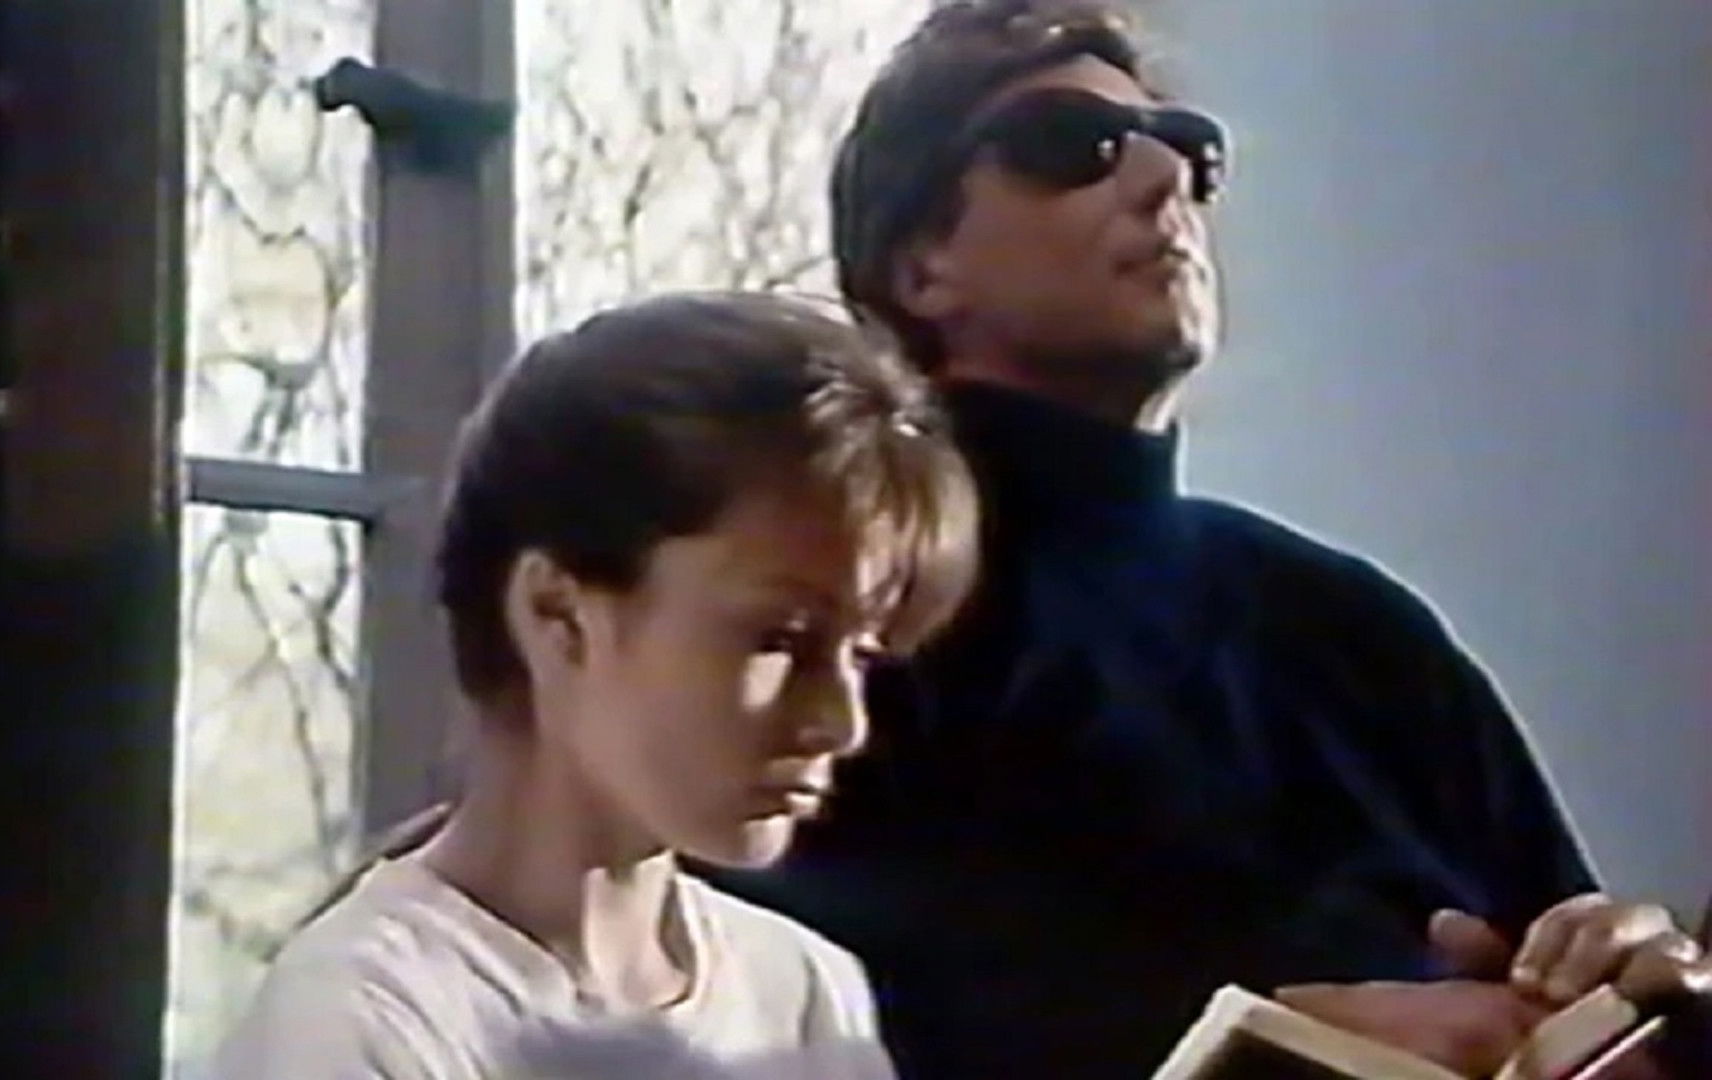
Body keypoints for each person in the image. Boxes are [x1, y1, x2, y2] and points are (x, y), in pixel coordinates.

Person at [705, 3, 1712, 1077]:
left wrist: (1639, 983)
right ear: (919, 268)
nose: (1164, 179)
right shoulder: (846, 615)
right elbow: (751, 993)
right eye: (1072, 145)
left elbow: (1580, 983)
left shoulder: (1358, 629)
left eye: (1193, 150)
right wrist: (1256, 1030)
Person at [209, 292, 978, 1079]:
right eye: (780, 639)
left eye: (863, 655)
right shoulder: (361, 1023)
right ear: (557, 613)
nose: (842, 722)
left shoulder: (803, 997)